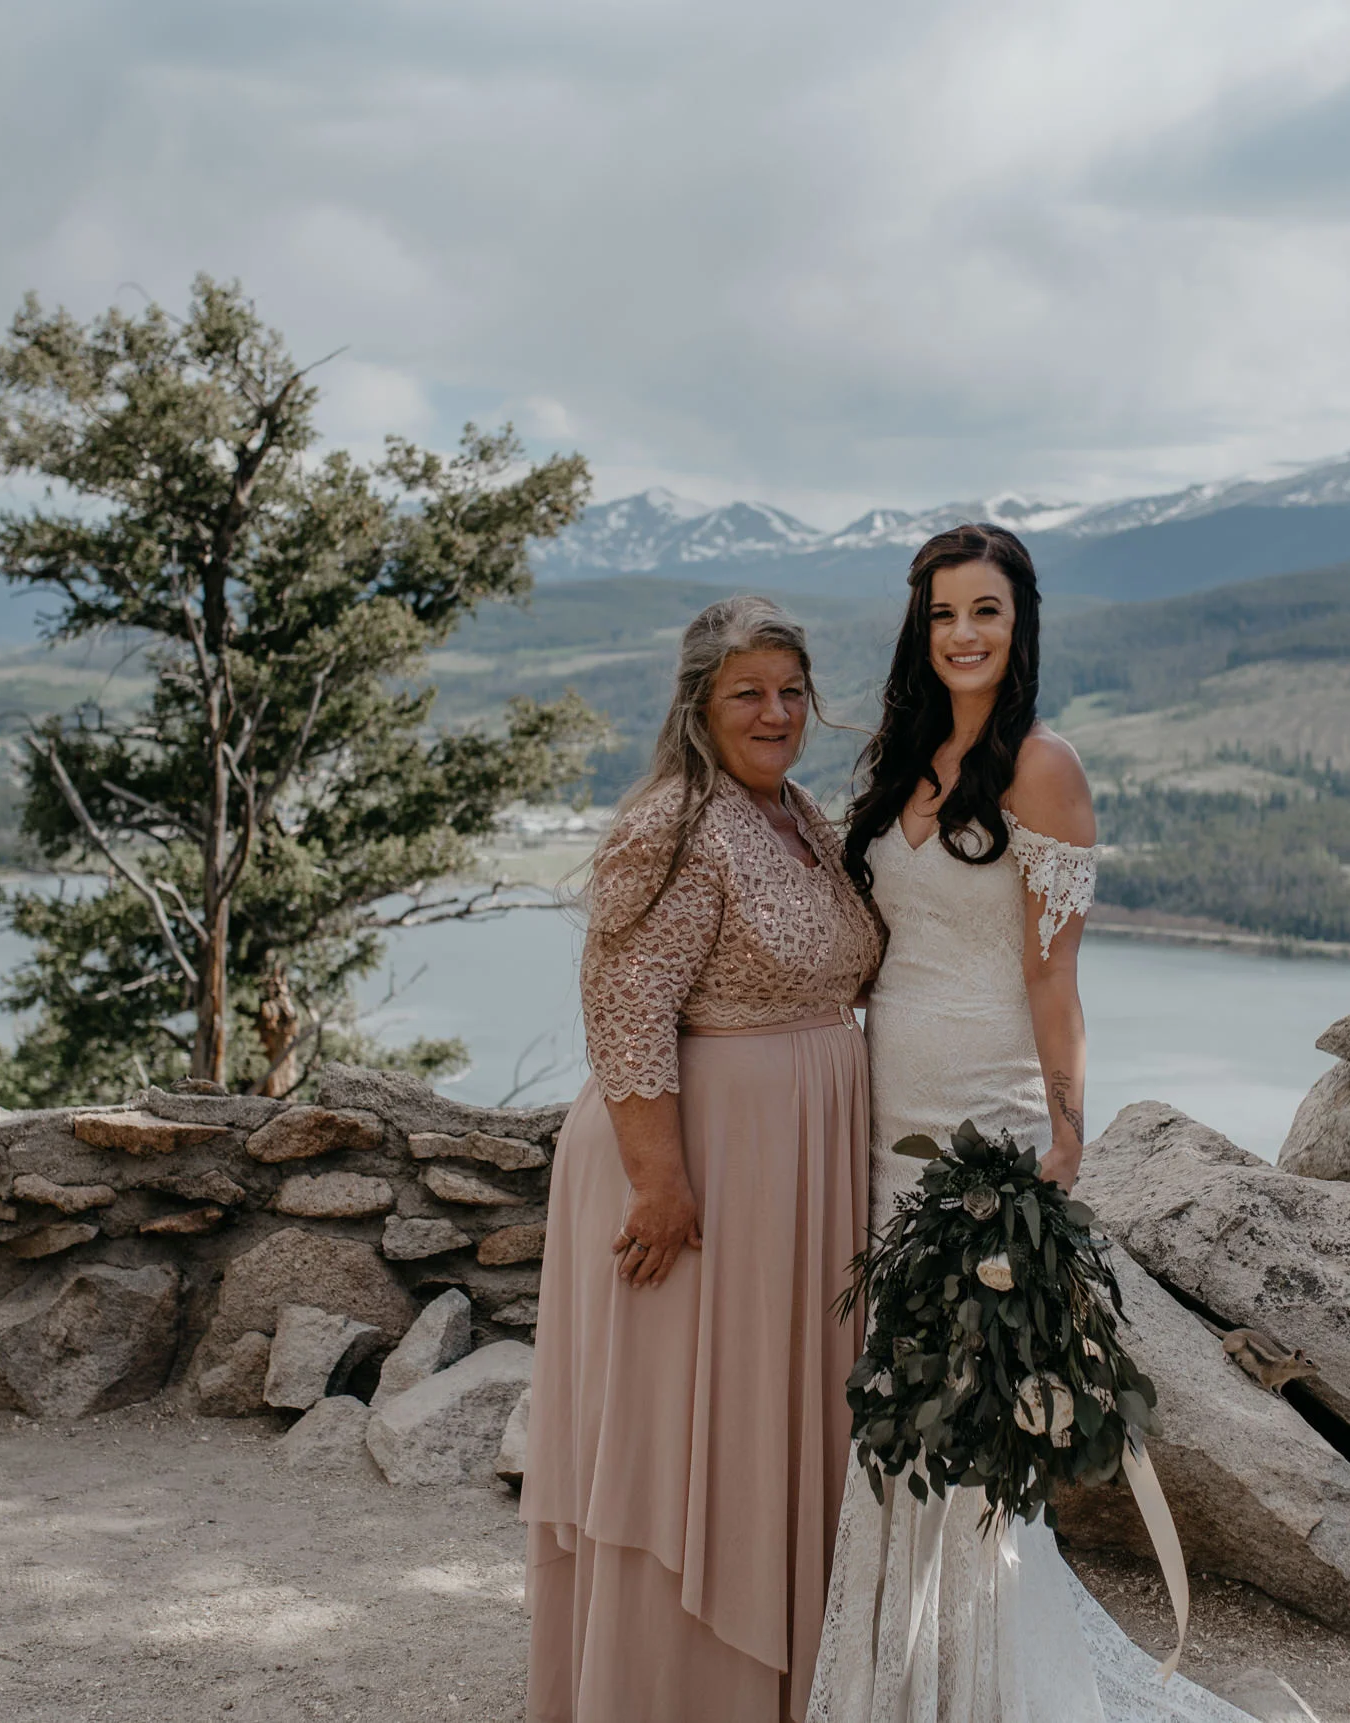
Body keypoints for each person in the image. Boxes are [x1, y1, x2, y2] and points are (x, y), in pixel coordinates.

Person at [807, 526, 1292, 1722]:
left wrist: (1064, 1140)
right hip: (874, 1112)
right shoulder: (896, 758)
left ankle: (979, 1689)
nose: (962, 634)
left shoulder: (1043, 768)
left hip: (982, 1122)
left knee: (963, 1412)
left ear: (1019, 626)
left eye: (986, 612)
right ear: (919, 629)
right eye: (942, 614)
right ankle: (890, 1675)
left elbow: (1053, 981)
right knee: (881, 1394)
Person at [522, 595, 886, 1723]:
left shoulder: (798, 814)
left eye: (790, 690)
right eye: (747, 693)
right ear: (698, 704)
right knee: (687, 1435)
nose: (774, 712)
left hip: (792, 1167)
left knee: (765, 1426)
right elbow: (627, 1005)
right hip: (698, 1168)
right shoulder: (674, 822)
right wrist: (660, 1182)